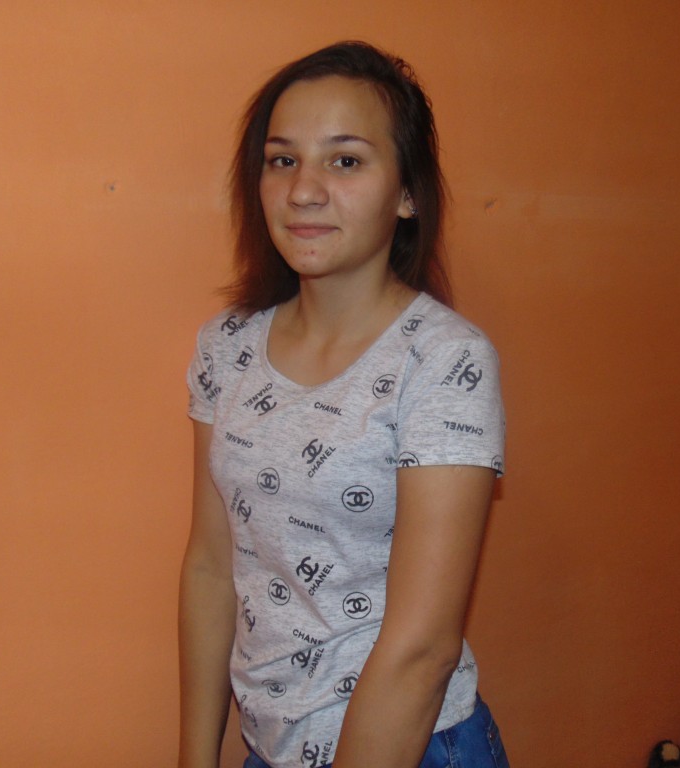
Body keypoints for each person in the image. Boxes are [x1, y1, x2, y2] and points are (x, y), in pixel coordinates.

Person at [179, 41, 508, 768]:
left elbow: (422, 649)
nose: (303, 190)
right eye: (282, 159)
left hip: (410, 747)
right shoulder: (227, 346)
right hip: (270, 746)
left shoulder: (444, 361)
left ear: (407, 193)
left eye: (346, 160)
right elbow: (210, 566)